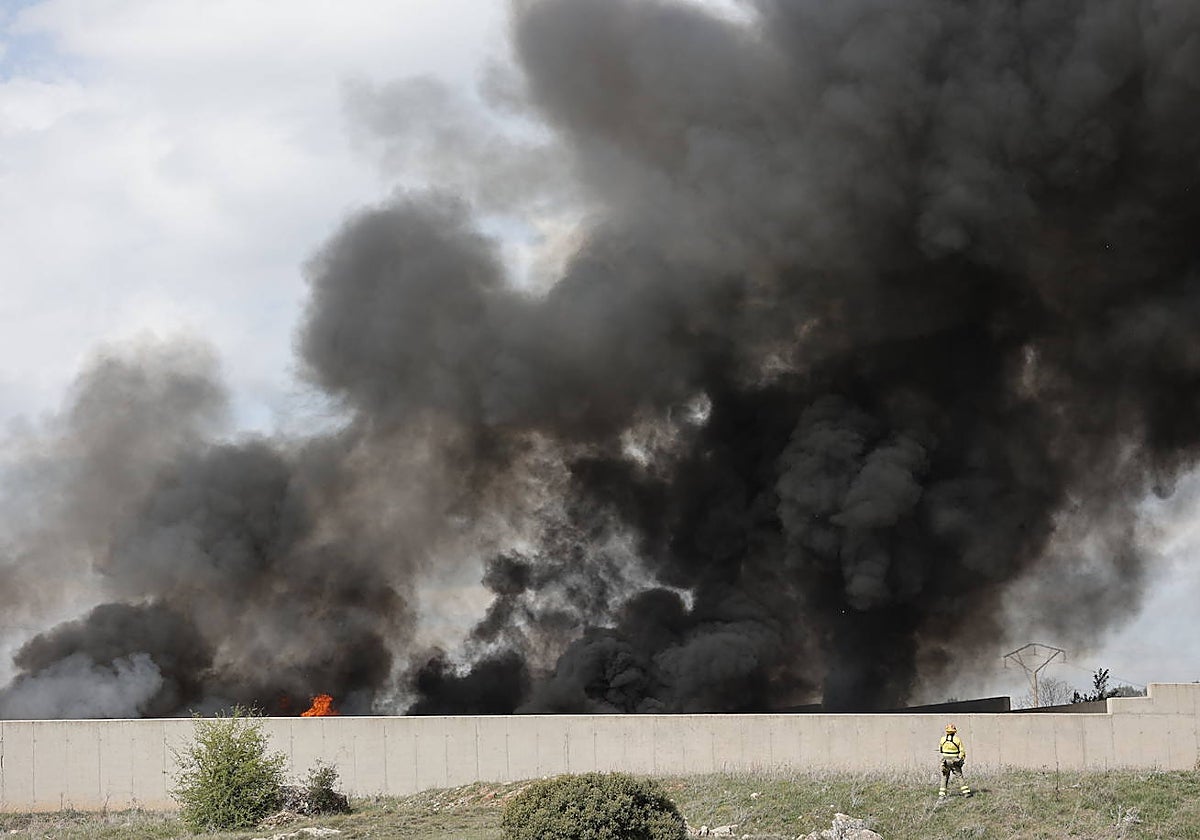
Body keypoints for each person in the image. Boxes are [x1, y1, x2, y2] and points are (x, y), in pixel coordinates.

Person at [938, 723, 972, 797]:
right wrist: (961, 759)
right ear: (954, 731)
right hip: (954, 760)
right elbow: (962, 751)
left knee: (944, 777)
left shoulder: (942, 739)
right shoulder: (957, 739)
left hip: (945, 761)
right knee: (959, 776)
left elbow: (940, 749)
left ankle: (942, 795)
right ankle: (966, 793)